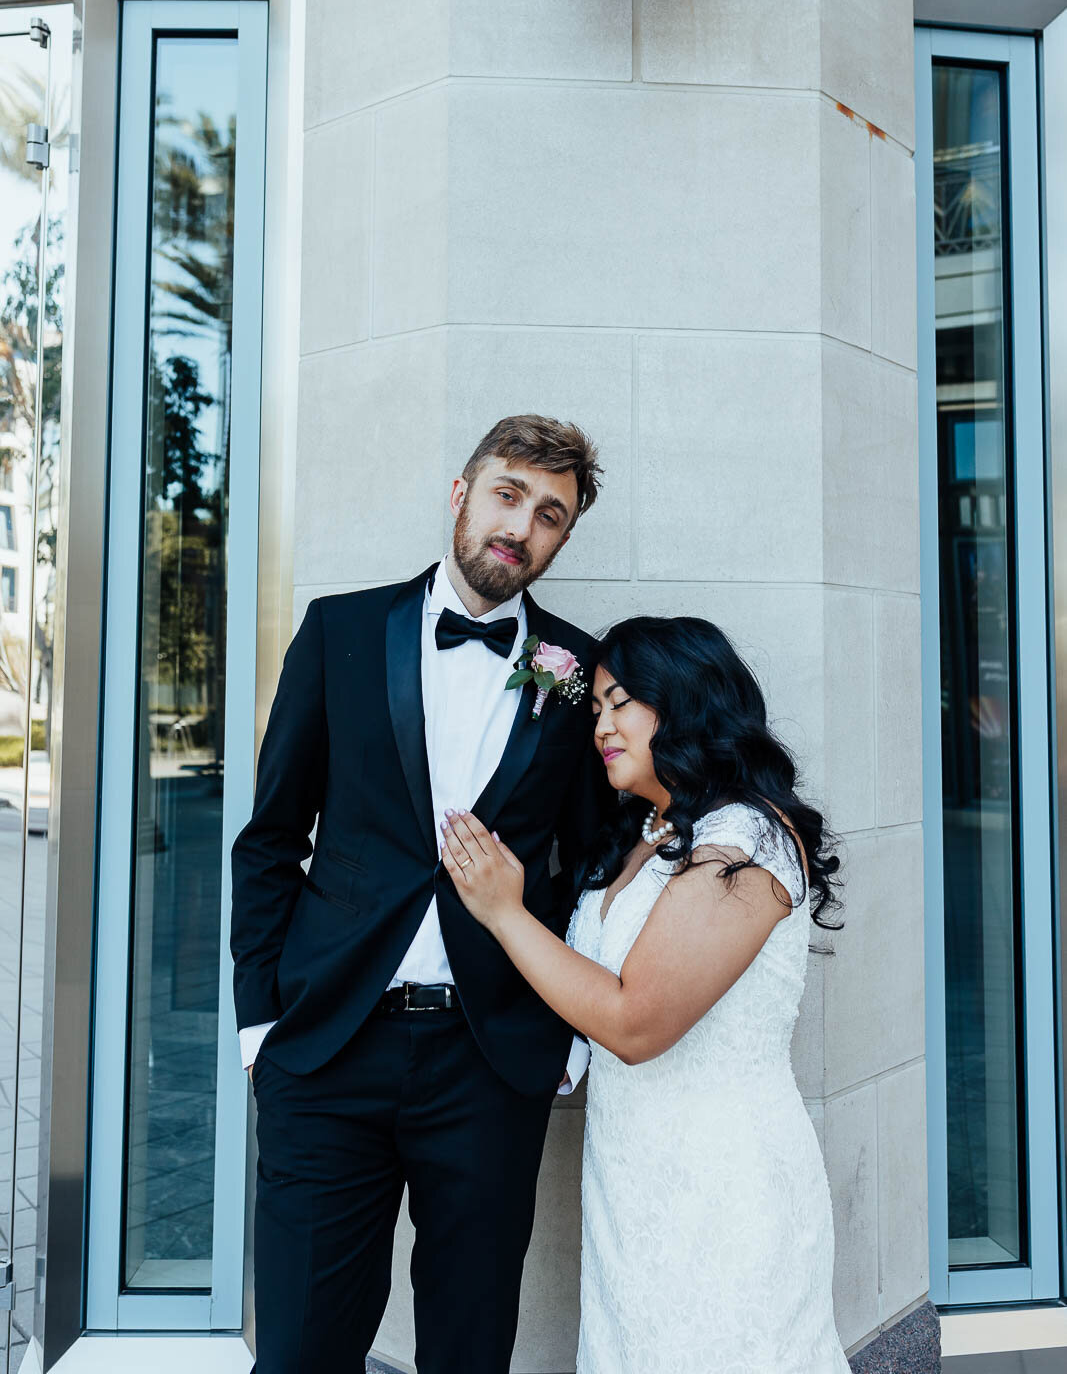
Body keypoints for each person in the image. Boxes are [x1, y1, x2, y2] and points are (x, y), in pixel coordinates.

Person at [230, 414, 615, 1373]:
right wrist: (259, 1027)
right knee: (298, 1348)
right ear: (461, 493)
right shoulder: (341, 630)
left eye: (550, 515)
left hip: (489, 1061)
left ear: (563, 539)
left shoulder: (573, 671)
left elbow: (590, 866)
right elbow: (272, 837)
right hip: (326, 1051)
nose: (521, 526)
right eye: (507, 495)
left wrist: (563, 1039)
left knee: (469, 1345)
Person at [440, 614, 850, 1374]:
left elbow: (633, 1022)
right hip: (631, 1181)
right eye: (594, 706)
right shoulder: (648, 833)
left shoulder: (747, 841)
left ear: (685, 700)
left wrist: (502, 911)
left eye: (619, 701)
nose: (601, 725)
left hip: (723, 1188)